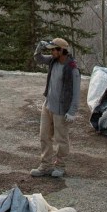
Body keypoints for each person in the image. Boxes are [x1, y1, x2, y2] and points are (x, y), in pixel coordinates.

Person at [30, 38, 80, 178]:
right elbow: (38, 58)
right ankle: (45, 166)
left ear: (62, 50)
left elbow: (76, 93)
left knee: (61, 139)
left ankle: (60, 166)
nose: (51, 52)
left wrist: (72, 111)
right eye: (51, 50)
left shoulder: (72, 68)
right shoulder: (53, 61)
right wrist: (39, 48)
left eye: (54, 49)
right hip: (48, 106)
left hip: (61, 109)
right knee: (44, 136)